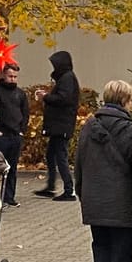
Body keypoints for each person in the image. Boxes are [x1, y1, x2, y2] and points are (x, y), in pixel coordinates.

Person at [76, 80, 132, 262]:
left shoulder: (88, 127)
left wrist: (82, 193)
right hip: (123, 202)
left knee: (101, 247)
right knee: (122, 253)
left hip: (95, 200)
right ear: (125, 101)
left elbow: (79, 164)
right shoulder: (131, 132)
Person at [36, 50, 80, 201]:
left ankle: (69, 189)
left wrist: (46, 97)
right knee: (51, 155)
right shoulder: (66, 78)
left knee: (60, 156)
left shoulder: (67, 78)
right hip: (60, 125)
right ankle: (51, 186)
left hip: (62, 125)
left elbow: (63, 99)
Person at [0, 62, 28, 207]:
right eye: (10, 76)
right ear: (3, 76)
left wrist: (22, 130)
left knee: (12, 167)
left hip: (15, 134)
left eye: (15, 76)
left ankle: (9, 197)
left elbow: (25, 113)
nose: (13, 79)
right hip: (2, 134)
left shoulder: (20, 93)